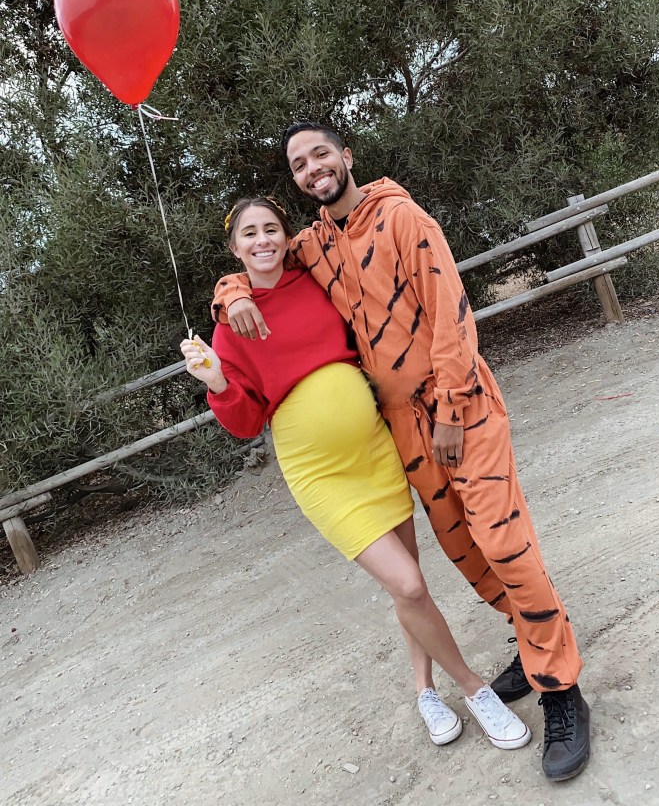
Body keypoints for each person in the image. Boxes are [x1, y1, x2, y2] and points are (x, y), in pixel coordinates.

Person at [211, 126, 592, 782]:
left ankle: (561, 690)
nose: (313, 168)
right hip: (401, 430)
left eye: (321, 154)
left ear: (346, 156)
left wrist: (450, 409)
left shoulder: (402, 217)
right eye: (299, 164)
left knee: (504, 543)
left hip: (456, 411)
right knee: (467, 553)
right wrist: (230, 291)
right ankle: (534, 645)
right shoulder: (313, 246)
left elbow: (452, 316)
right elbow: (258, 261)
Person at [182, 195, 533, 752]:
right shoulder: (230, 327)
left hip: (376, 449)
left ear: (286, 236)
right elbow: (246, 423)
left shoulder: (313, 280)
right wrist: (217, 381)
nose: (263, 240)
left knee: (408, 585)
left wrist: (234, 287)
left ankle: (424, 691)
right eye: (249, 234)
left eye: (271, 229)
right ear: (234, 248)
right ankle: (473, 688)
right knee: (408, 584)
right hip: (322, 475)